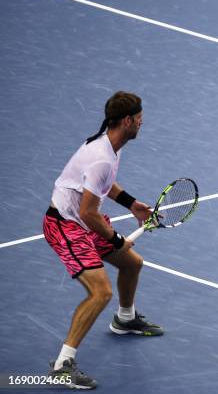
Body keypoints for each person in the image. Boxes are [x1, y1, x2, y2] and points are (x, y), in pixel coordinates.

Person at [42, 91, 163, 389]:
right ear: (127, 121)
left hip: (81, 221)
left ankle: (124, 319)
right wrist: (118, 238)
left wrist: (131, 204)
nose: (142, 121)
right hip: (66, 226)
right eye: (139, 118)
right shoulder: (101, 158)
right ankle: (62, 365)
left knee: (132, 264)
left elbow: (99, 186)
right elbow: (89, 212)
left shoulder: (110, 145)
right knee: (100, 292)